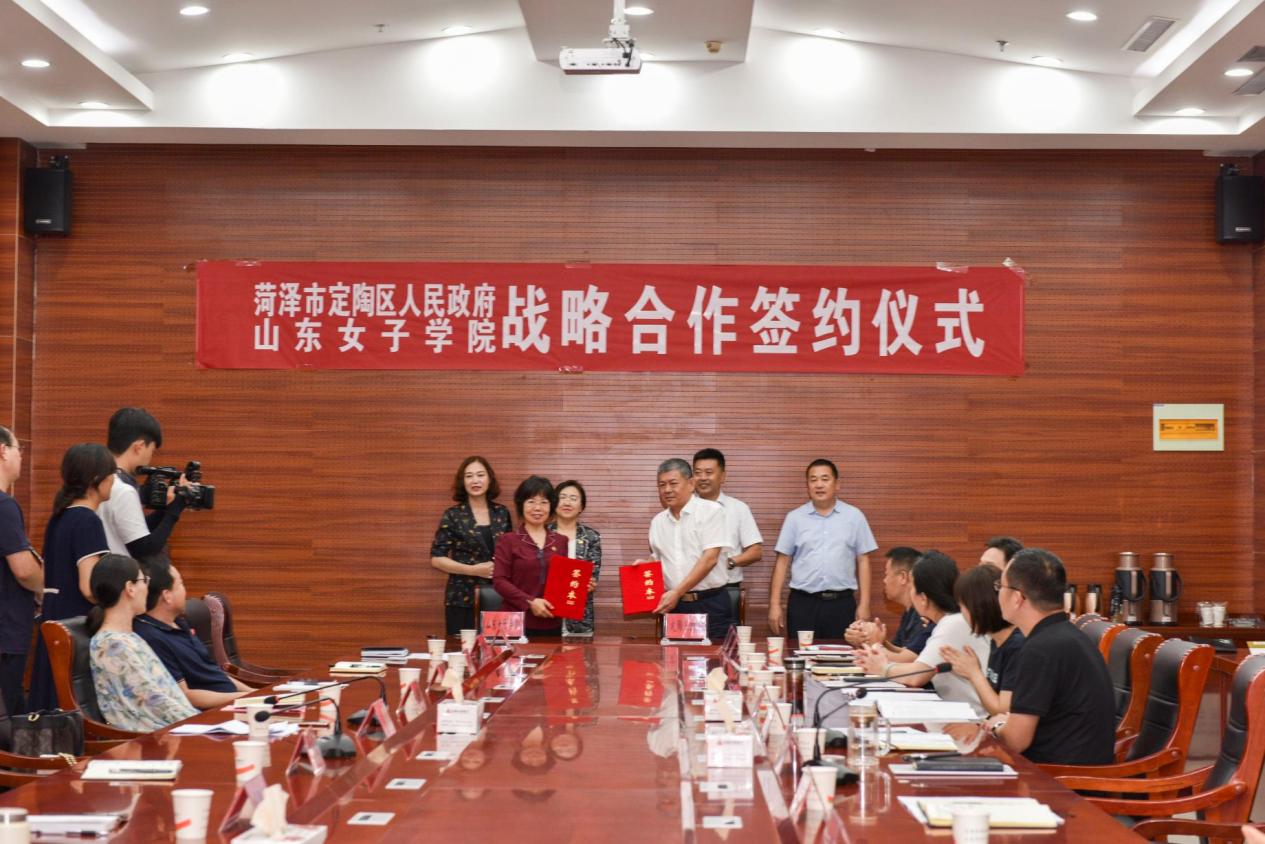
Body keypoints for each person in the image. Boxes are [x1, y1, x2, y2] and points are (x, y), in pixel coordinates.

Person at [986, 548, 1115, 765]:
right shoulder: (1067, 636)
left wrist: (996, 727)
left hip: (1060, 777)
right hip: (1068, 768)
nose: (997, 593)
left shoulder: (1040, 650)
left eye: (1000, 586)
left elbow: (1016, 741)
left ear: (1017, 598)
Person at [28, 443, 114, 711]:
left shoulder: (59, 517)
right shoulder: (88, 520)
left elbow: (45, 576)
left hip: (52, 616)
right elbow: (88, 586)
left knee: (49, 695)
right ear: (96, 480)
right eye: (111, 474)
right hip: (75, 617)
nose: (113, 480)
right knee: (70, 699)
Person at [854, 551, 990, 705]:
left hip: (971, 715)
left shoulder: (953, 623)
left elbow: (916, 676)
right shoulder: (950, 620)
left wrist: (882, 668)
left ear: (924, 598)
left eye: (912, 587)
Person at [86, 553, 197, 732]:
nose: (147, 587)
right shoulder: (111, 645)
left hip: (174, 730)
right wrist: (202, 722)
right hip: (151, 739)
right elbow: (155, 703)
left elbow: (167, 693)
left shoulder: (129, 637)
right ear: (130, 588)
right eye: (144, 580)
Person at [768, 459, 877, 639]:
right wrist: (774, 604)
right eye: (813, 480)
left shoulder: (854, 517)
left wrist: (864, 604)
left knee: (842, 654)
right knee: (801, 654)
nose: (819, 485)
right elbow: (782, 561)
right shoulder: (794, 518)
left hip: (841, 604)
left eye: (825, 479)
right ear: (807, 485)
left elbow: (863, 560)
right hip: (803, 604)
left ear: (837, 484)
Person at [133, 559, 251, 709]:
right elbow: (185, 695)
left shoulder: (180, 622)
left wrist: (253, 694)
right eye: (181, 584)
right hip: (212, 713)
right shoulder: (152, 637)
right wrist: (244, 698)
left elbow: (213, 673)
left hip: (234, 703)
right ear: (167, 595)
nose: (185, 590)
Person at [646, 458, 731, 642]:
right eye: (662, 485)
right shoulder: (657, 522)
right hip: (675, 607)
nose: (667, 490)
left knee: (714, 659)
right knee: (673, 657)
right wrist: (643, 567)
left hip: (710, 604)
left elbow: (710, 559)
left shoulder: (712, 511)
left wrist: (677, 592)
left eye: (673, 483)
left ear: (691, 484)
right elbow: (660, 560)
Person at [430, 456, 513, 635]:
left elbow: (510, 553)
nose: (475, 480)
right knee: (462, 649)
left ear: (489, 479)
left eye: (480, 475)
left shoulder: (501, 513)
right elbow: (436, 559)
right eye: (469, 476)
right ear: (463, 481)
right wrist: (473, 570)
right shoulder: (453, 515)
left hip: (498, 596)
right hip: (461, 597)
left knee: (498, 648)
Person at [97, 408, 188, 564]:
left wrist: (166, 509)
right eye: (151, 451)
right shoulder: (123, 490)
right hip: (119, 576)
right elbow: (145, 550)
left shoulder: (101, 478)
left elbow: (135, 533)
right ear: (139, 447)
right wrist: (175, 511)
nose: (149, 460)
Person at [940, 564, 1025, 716]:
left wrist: (974, 673)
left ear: (979, 607)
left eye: (963, 606)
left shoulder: (1017, 646)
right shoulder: (996, 641)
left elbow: (1003, 710)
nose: (962, 613)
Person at [493, 476, 568, 635]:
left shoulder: (561, 541)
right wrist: (530, 601)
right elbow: (499, 581)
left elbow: (563, 581)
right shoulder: (508, 540)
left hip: (551, 621)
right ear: (521, 505)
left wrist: (582, 585)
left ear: (551, 506)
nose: (537, 508)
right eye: (531, 501)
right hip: (515, 622)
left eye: (544, 502)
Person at [0, 427, 40, 714]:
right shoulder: (4, 506)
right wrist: (47, 586)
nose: (21, 457)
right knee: (9, 716)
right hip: (6, 629)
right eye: (19, 449)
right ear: (3, 451)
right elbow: (24, 570)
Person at [692, 448, 763, 588]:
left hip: (726, 587)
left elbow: (756, 551)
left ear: (723, 476)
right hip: (691, 587)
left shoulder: (738, 508)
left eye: (709, 472)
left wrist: (728, 562)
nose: (703, 478)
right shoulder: (685, 509)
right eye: (697, 473)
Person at [845, 546, 929, 663]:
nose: (884, 581)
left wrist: (875, 644)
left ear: (903, 577)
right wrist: (869, 637)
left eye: (887, 574)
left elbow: (909, 661)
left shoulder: (923, 614)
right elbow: (900, 651)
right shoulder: (909, 612)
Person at [549, 480, 601, 637]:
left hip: (580, 618)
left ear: (581, 506)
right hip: (546, 614)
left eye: (573, 498)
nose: (567, 502)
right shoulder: (543, 533)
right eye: (562, 497)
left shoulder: (591, 537)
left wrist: (590, 583)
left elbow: (592, 576)